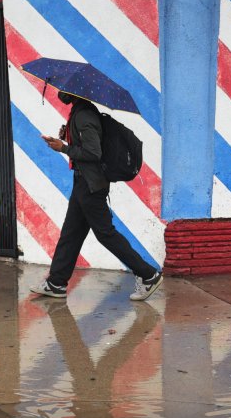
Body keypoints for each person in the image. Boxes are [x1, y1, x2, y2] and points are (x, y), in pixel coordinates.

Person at [31, 91, 162, 302]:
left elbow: (94, 153)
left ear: (74, 92)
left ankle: (148, 275)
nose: (59, 93)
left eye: (62, 90)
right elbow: (87, 145)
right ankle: (56, 282)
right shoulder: (80, 112)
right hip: (84, 183)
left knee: (105, 234)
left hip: (91, 186)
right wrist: (68, 136)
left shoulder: (84, 116)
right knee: (71, 233)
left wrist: (64, 148)